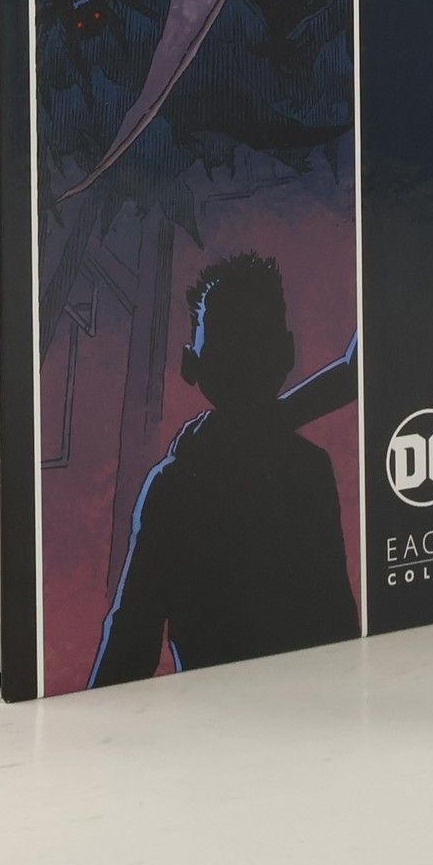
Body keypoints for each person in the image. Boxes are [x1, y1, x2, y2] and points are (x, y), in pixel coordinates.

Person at [90, 253, 358, 685]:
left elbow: (129, 644)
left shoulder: (176, 483)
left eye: (255, 340)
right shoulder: (180, 484)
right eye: (228, 343)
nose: (244, 359)